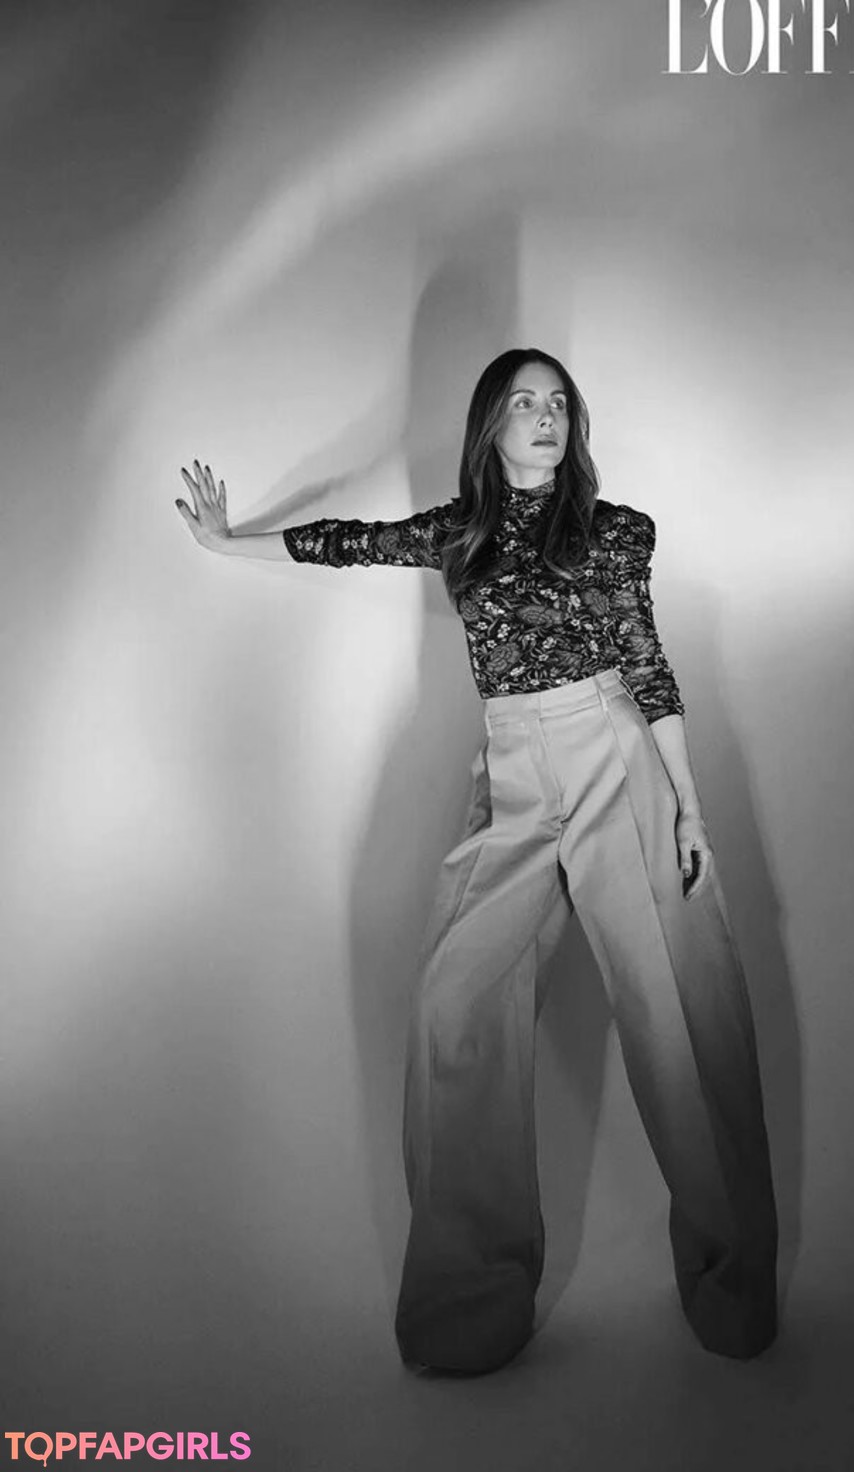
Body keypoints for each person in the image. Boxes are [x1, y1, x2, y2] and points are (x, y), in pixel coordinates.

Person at [175, 347, 779, 1375]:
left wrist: (687, 802)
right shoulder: (461, 533)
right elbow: (348, 542)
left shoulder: (617, 531)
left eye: (558, 403)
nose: (545, 417)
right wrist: (228, 541)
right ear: (490, 424)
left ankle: (734, 1284)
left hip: (614, 757)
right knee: (454, 1007)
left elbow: (647, 660)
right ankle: (472, 1299)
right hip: (512, 772)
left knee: (677, 1017)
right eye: (523, 402)